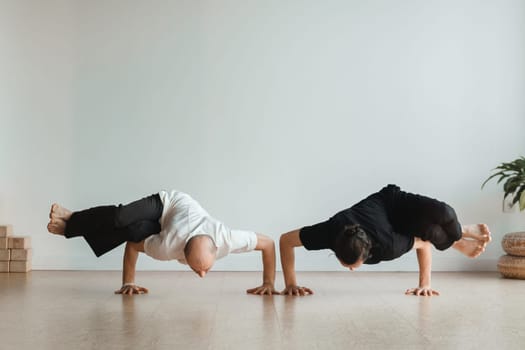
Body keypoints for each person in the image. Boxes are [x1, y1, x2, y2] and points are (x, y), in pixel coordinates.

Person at [47, 190, 277, 296]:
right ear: (182, 254)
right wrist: (129, 281)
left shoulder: (229, 238)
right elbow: (133, 247)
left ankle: (71, 226)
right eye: (198, 269)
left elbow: (268, 244)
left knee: (133, 231)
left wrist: (269, 282)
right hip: (168, 205)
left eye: (203, 268)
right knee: (121, 218)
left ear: (217, 249)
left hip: (166, 226)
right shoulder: (168, 247)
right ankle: (73, 219)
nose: (203, 275)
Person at [279, 184, 491, 296]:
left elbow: (424, 244)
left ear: (368, 252)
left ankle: (461, 233)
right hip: (391, 226)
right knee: (432, 233)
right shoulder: (327, 233)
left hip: (393, 205)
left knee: (445, 212)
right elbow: (285, 240)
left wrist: (424, 284)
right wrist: (291, 284)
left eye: (352, 265)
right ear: (334, 247)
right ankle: (458, 239)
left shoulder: (388, 247)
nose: (352, 269)